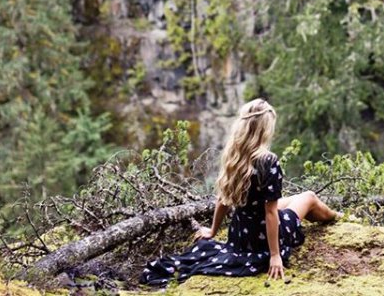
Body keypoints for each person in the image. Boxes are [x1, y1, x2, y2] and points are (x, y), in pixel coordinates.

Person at [140, 98, 339, 286]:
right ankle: (336, 216)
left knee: (289, 201)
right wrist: (275, 255)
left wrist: (212, 230)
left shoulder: (234, 155)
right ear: (265, 128)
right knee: (309, 197)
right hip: (263, 237)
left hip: (239, 236)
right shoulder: (268, 161)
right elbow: (270, 214)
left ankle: (333, 215)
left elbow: (223, 199)